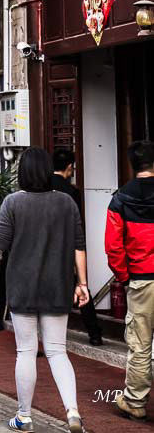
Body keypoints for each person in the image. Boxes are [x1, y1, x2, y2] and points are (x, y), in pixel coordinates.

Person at [0, 147, 87, 433]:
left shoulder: (13, 203)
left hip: (22, 286)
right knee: (58, 351)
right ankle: (72, 411)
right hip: (58, 286)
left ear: (22, 172)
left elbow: (1, 243)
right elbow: (78, 245)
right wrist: (82, 283)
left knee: (25, 352)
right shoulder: (66, 203)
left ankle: (24, 417)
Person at [105, 139, 154, 421]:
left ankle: (135, 401)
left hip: (141, 279)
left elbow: (113, 246)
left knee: (140, 343)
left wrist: (124, 276)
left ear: (132, 165)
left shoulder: (121, 198)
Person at [52, 148, 103, 347]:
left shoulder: (42, 186)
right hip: (66, 247)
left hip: (45, 247)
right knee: (82, 289)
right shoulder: (72, 192)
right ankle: (94, 333)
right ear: (69, 167)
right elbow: (77, 226)